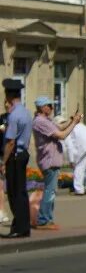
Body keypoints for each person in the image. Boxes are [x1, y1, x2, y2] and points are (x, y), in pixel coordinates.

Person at [31, 96, 82, 230]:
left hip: (51, 160)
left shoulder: (46, 120)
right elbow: (61, 135)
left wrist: (72, 121)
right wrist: (74, 123)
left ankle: (47, 219)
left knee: (51, 191)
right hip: (49, 160)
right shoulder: (40, 122)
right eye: (49, 106)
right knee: (50, 192)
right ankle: (43, 220)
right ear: (42, 107)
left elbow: (59, 127)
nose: (52, 108)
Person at [1, 79, 32, 239]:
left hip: (14, 156)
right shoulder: (26, 112)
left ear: (9, 96)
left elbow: (10, 142)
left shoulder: (13, 116)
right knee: (21, 192)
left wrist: (3, 161)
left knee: (14, 193)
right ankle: (23, 227)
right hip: (23, 154)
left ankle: (19, 228)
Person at [62, 118, 86, 195]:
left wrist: (71, 161)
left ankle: (79, 190)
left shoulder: (68, 129)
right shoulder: (79, 125)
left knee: (79, 167)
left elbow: (70, 146)